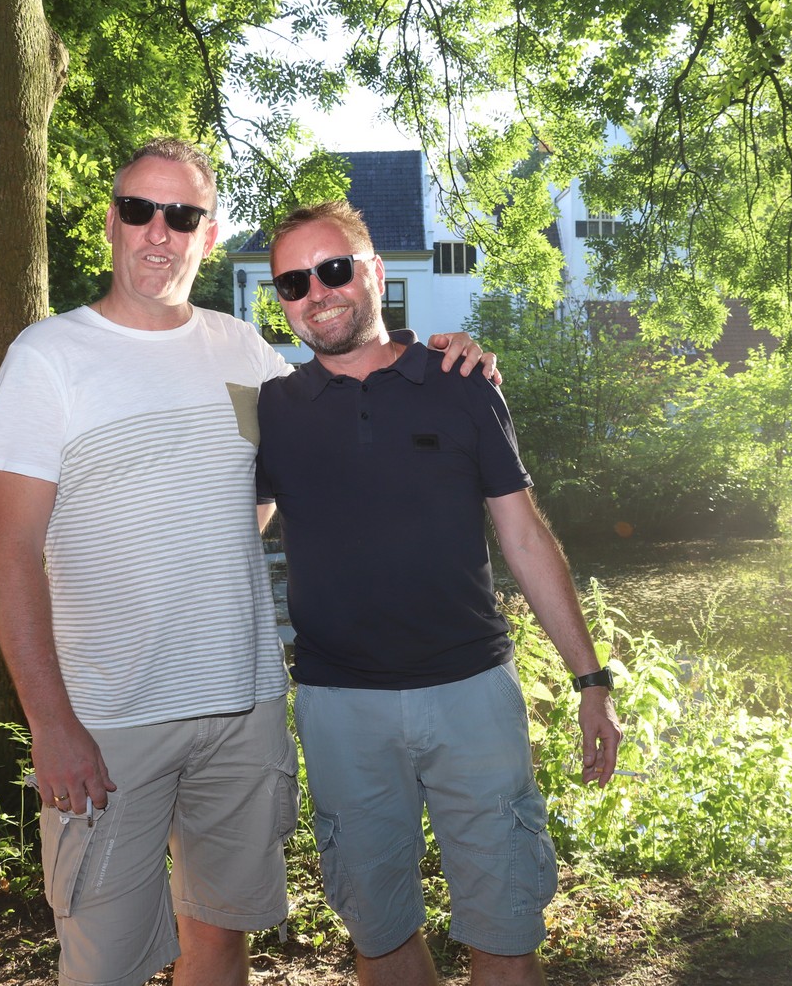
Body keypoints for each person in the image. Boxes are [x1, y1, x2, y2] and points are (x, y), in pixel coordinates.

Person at [0, 139, 495, 986]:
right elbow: (6, 552)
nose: (158, 231)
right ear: (111, 221)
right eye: (139, 209)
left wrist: (449, 364)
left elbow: (339, 410)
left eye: (182, 216)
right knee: (104, 965)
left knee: (218, 939)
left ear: (208, 236)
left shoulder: (243, 351)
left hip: (242, 706)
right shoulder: (48, 356)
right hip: (110, 718)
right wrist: (51, 723)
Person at [255, 200, 624, 986]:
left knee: (507, 928)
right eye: (293, 282)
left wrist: (591, 680)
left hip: (472, 698)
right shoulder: (272, 411)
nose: (316, 293)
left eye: (333, 269)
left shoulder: (462, 383)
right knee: (379, 931)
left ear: (375, 272)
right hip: (340, 708)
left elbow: (525, 539)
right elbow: (224, 537)